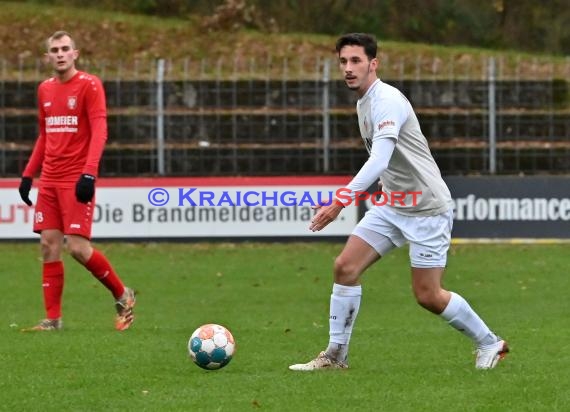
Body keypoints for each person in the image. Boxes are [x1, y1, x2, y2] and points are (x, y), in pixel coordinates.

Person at [289, 33, 508, 371]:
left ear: (373, 64)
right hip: (393, 205)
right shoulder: (364, 101)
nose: (348, 68)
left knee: (428, 295)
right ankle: (335, 356)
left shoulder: (386, 100)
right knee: (345, 268)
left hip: (427, 209)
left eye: (356, 61)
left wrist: (339, 201)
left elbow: (379, 160)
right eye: (343, 62)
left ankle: (490, 343)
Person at [18, 30, 136, 332]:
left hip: (75, 178)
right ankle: (52, 320)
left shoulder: (89, 85)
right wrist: (28, 174)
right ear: (48, 56)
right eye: (54, 49)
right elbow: (45, 135)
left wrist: (89, 173)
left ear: (75, 53)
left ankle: (123, 294)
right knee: (48, 245)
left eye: (65, 48)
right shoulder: (44, 89)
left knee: (78, 249)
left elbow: (100, 131)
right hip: (50, 179)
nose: (59, 53)